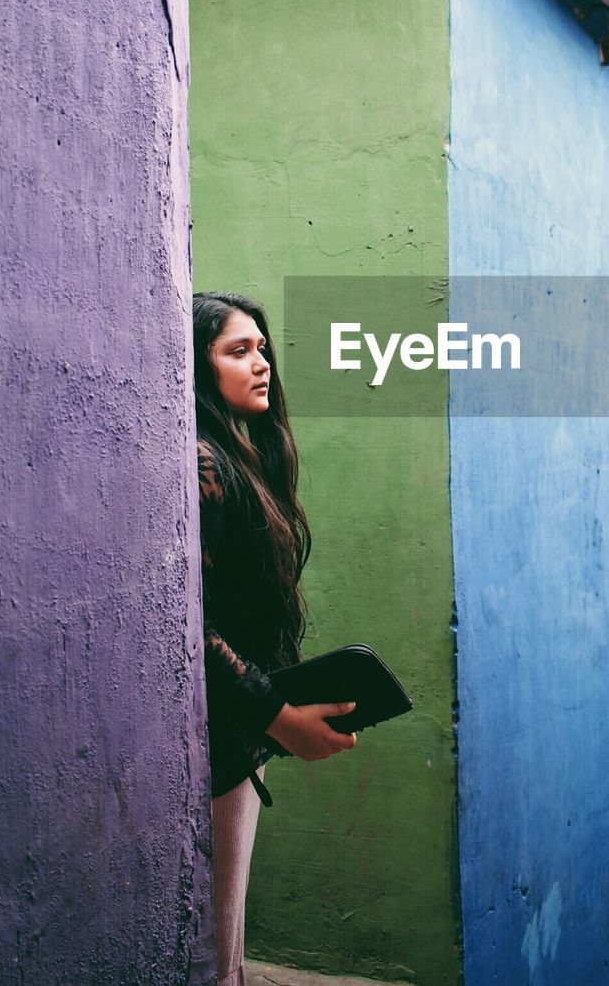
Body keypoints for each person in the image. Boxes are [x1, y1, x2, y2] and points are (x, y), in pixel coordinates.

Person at [192, 291, 357, 986]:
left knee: (224, 951)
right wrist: (276, 712)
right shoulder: (203, 468)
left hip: (238, 736)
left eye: (261, 349)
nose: (261, 365)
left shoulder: (245, 458)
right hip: (214, 735)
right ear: (196, 369)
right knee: (211, 957)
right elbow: (185, 626)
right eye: (238, 351)